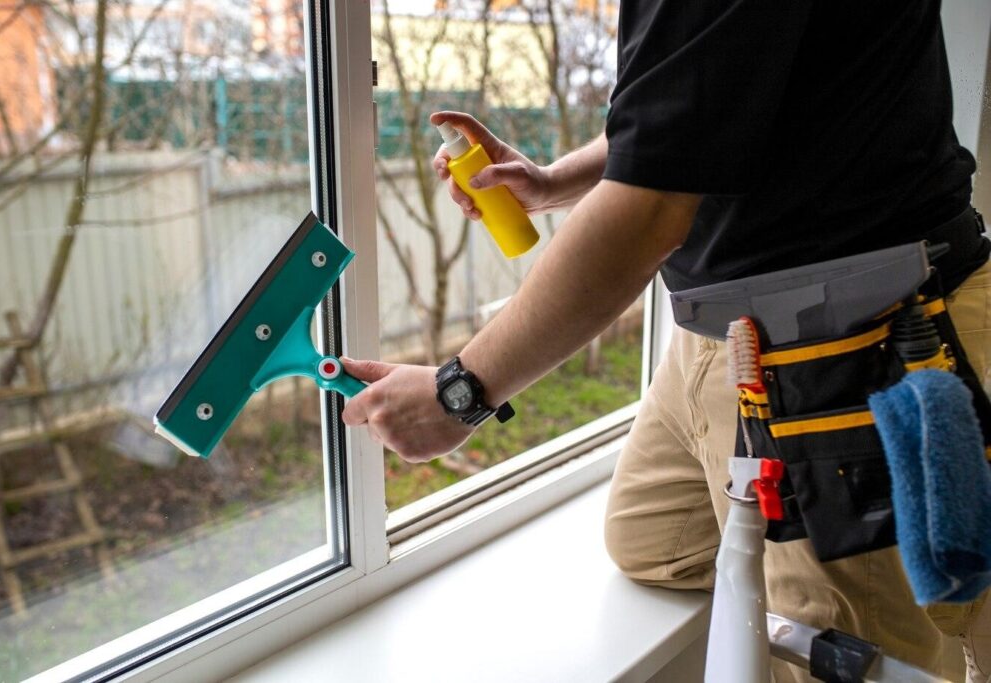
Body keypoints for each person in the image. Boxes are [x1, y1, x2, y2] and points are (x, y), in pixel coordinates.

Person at [342, 1, 991, 680]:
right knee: (650, 542)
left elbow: (647, 212)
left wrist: (460, 391)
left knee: (858, 648)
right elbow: (697, 107)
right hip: (724, 338)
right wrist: (556, 180)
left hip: (847, 348)